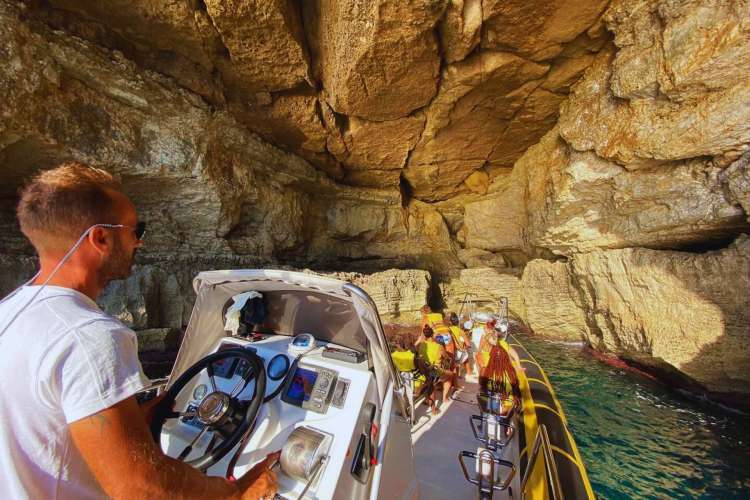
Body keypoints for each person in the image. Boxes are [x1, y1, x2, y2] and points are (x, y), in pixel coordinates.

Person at [0, 163, 276, 499]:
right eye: (136, 230)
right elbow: (141, 487)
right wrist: (232, 493)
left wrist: (134, 419)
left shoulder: (12, 312)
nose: (139, 243)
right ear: (101, 238)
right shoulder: (90, 336)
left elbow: (45, 426)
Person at [416, 325, 453, 415]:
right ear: (432, 334)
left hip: (422, 370)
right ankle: (443, 399)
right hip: (434, 371)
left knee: (432, 380)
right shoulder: (439, 346)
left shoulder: (420, 345)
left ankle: (427, 398)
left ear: (424, 335)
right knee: (450, 376)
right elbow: (447, 358)